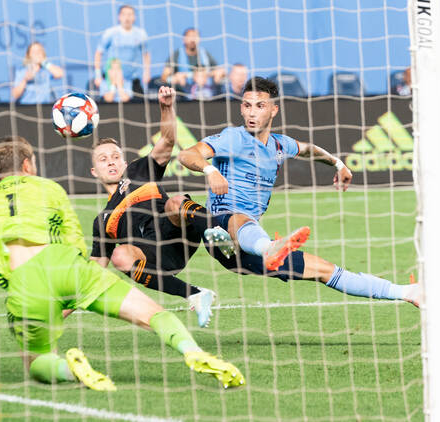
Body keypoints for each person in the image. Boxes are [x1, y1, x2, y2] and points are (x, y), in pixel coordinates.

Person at [0, 135, 244, 390]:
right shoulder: (50, 189)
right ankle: (192, 350)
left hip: (25, 285)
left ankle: (69, 370)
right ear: (27, 165)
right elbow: (74, 243)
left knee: (36, 362)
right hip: (68, 266)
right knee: (153, 314)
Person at [178, 77, 421, 306]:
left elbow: (308, 149)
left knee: (325, 270)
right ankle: (268, 247)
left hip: (247, 250)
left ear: (274, 110)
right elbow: (187, 154)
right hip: (220, 230)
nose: (251, 112)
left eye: (260, 106)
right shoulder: (233, 138)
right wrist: (210, 170)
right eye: (247, 105)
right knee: (238, 218)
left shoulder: (279, 145)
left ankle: (406, 292)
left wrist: (338, 164)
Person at [90, 86, 234, 327]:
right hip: (155, 258)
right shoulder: (102, 220)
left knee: (175, 202)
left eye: (115, 156)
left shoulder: (139, 170)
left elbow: (167, 140)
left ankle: (217, 230)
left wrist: (166, 107)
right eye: (103, 160)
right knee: (119, 256)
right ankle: (196, 294)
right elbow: (94, 272)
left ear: (124, 162)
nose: (111, 162)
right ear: (94, 172)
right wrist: (59, 311)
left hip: (177, 234)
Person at [94, 5, 150, 96]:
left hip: (131, 79)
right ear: (119, 17)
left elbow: (146, 54)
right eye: (124, 14)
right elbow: (98, 53)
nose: (127, 17)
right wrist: (97, 75)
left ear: (134, 17)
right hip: (111, 79)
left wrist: (147, 72)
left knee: (140, 105)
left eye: (130, 14)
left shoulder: (141, 34)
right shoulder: (110, 33)